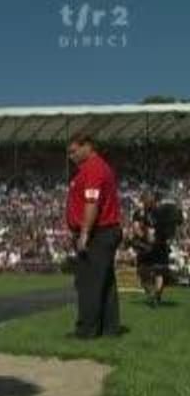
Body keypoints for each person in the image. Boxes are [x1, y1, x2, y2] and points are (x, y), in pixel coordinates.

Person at [65, 134, 122, 338]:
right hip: (106, 230)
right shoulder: (96, 167)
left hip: (99, 232)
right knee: (105, 283)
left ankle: (86, 330)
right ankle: (109, 328)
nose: (70, 156)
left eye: (73, 151)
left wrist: (84, 233)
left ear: (87, 146)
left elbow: (92, 203)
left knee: (88, 283)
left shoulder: (93, 168)